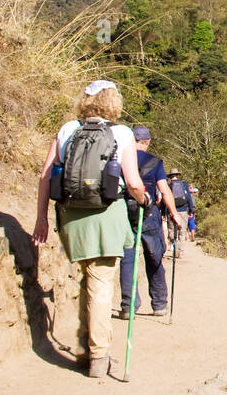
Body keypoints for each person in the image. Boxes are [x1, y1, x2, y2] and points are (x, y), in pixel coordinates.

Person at [32, 80, 151, 379]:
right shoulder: (121, 133)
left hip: (70, 216)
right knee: (100, 282)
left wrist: (41, 219)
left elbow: (46, 176)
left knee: (87, 278)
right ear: (114, 102)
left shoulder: (67, 130)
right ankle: (98, 356)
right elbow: (133, 182)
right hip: (105, 214)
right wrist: (145, 198)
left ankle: (87, 343)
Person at [117, 127, 180, 318]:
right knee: (154, 258)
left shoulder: (120, 159)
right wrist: (174, 213)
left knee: (128, 259)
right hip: (148, 212)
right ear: (148, 141)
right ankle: (159, 304)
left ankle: (129, 306)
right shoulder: (155, 162)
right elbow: (165, 190)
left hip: (125, 211)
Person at [166, 169, 195, 252]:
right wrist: (190, 211)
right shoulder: (184, 184)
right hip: (183, 210)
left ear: (170, 176)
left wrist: (164, 212)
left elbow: (166, 198)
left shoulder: (168, 185)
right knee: (182, 231)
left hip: (171, 211)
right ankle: (180, 251)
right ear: (178, 175)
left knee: (171, 230)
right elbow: (189, 198)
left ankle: (174, 243)